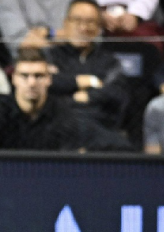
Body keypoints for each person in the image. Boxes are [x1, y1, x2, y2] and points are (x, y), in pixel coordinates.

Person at [0, 48, 133, 151]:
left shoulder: (64, 113)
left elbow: (110, 142)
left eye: (38, 76)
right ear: (14, 79)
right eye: (24, 76)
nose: (32, 82)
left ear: (49, 79)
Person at [46, 0, 131, 133]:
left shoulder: (110, 62)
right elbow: (47, 84)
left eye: (90, 22)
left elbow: (117, 93)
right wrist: (86, 81)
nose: (83, 28)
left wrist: (86, 97)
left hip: (100, 129)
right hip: (56, 128)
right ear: (65, 23)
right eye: (77, 20)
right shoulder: (49, 56)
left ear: (98, 29)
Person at [0, 0, 70, 59]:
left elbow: (78, 36)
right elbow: (23, 41)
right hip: (31, 67)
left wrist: (48, 32)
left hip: (74, 62)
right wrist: (64, 37)